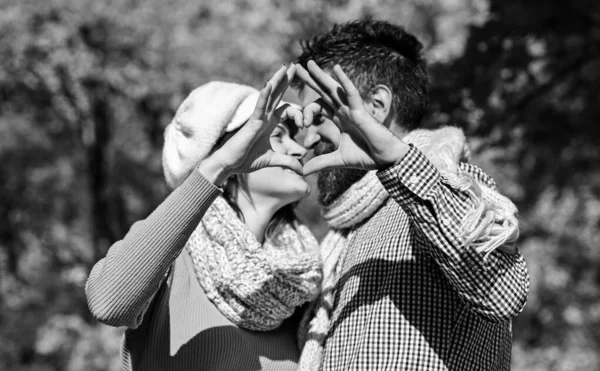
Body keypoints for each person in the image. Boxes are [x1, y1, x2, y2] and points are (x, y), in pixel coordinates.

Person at [292, 19, 530, 370]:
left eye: (319, 116)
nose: (308, 139)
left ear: (376, 105)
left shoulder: (453, 185)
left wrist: (397, 161)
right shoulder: (339, 239)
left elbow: (503, 291)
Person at [85, 65, 323, 371]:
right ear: (235, 151)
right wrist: (218, 168)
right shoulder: (170, 256)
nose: (298, 148)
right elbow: (109, 302)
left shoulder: (303, 279)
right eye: (278, 135)